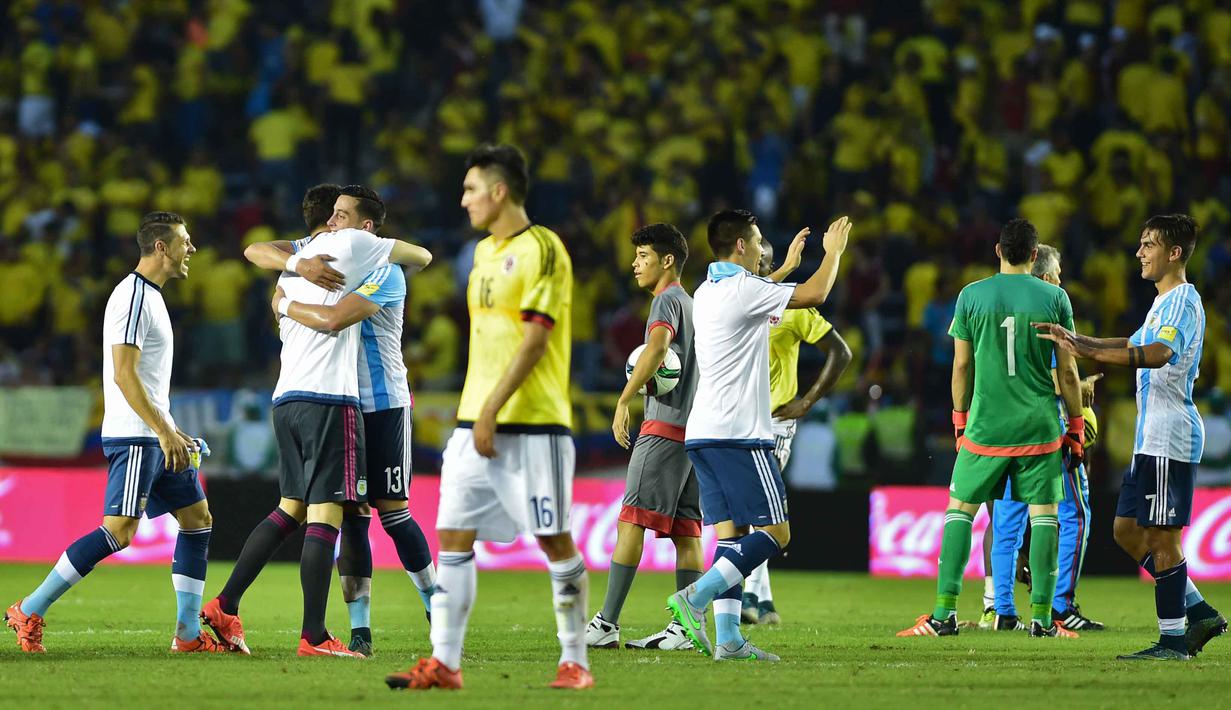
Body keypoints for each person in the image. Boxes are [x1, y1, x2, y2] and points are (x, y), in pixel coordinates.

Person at [385, 144, 592, 690]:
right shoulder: (479, 254)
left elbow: (536, 339)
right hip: (472, 422)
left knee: (554, 540)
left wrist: (493, 409)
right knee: (452, 536)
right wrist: (475, 411)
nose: (464, 200)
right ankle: (445, 663)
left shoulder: (544, 248)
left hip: (533, 424)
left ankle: (576, 660)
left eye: (472, 189)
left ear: (500, 191)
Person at [200, 186, 432, 658]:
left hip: (380, 402)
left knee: (389, 511)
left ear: (364, 228)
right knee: (348, 515)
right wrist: (298, 264)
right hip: (334, 401)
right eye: (329, 215)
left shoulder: (383, 270)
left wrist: (281, 300)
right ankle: (348, 630)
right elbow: (258, 249)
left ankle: (437, 609)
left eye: (341, 215)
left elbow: (337, 315)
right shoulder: (311, 255)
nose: (331, 222)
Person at [5, 212, 224, 653]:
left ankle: (186, 636)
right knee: (119, 532)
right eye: (185, 240)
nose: (192, 249)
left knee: (198, 522)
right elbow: (124, 376)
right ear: (161, 247)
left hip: (157, 434)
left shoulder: (154, 297)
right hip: (137, 436)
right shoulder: (134, 297)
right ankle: (29, 608)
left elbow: (146, 380)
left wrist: (176, 433)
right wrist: (162, 432)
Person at [1037, 214, 1227, 660]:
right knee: (1125, 531)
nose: (1139, 252)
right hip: (1150, 438)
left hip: (1170, 434)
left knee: (1163, 539)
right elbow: (1131, 342)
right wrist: (1077, 340)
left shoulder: (1183, 300)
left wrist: (1083, 348)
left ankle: (1173, 640)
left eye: (1148, 244)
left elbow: (1159, 354)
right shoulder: (1161, 304)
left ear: (1174, 253)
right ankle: (1197, 612)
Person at [667, 209, 851, 662]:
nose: (765, 246)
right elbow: (818, 292)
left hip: (702, 433)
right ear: (744, 246)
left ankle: (728, 639)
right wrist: (834, 253)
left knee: (732, 538)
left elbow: (759, 290)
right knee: (777, 534)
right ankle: (694, 599)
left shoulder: (708, 288)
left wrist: (785, 267)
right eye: (760, 239)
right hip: (740, 434)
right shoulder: (745, 289)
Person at [897, 218, 1084, 640]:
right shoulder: (1055, 297)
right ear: (1035, 256)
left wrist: (959, 422)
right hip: (1038, 426)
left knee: (960, 511)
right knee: (1045, 519)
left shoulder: (971, 296)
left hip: (985, 427)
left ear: (998, 251)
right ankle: (1041, 621)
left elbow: (962, 365)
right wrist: (1075, 428)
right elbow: (1069, 372)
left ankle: (944, 614)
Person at [585, 222, 702, 651]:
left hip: (664, 427)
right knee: (688, 530)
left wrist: (624, 400)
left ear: (667, 260)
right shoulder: (693, 305)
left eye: (643, 257)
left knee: (631, 520)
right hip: (694, 433)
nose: (635, 265)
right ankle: (687, 627)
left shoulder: (666, 302)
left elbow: (656, 348)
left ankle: (606, 624)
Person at [986, 244, 1105, 632]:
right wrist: (1076, 409)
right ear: (1045, 277)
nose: (1061, 281)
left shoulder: (993, 306)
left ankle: (1002, 609)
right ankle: (1058, 605)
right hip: (1045, 429)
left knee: (1006, 521)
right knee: (1072, 514)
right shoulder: (1050, 308)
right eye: (1058, 274)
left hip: (1001, 428)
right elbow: (1061, 376)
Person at [742, 241, 852, 626]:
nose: (757, 269)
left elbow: (840, 353)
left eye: (764, 263)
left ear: (775, 266)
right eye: (753, 261)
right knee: (752, 512)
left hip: (774, 424)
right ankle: (764, 602)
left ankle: (748, 599)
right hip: (738, 421)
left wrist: (807, 402)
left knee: (758, 511)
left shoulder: (790, 308)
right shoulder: (734, 303)